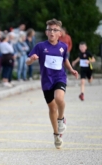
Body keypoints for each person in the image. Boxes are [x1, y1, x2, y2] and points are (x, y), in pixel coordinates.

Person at [26, 19, 78, 149]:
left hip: (59, 77)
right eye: (49, 29)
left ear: (60, 33)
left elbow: (65, 60)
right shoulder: (40, 46)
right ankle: (56, 135)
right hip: (46, 81)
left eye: (55, 30)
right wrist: (31, 60)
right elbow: (27, 61)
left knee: (59, 98)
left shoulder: (63, 47)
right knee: (52, 108)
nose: (52, 32)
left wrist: (71, 69)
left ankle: (61, 119)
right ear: (46, 32)